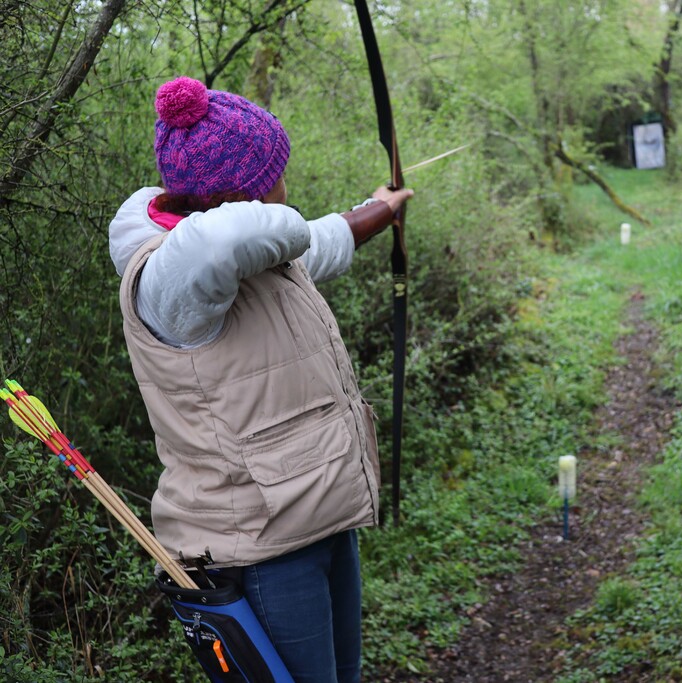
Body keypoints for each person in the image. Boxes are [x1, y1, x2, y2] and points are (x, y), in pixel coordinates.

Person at [108, 75, 412, 683]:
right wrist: (280, 216)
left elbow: (323, 241)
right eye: (275, 175)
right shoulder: (169, 286)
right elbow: (225, 241)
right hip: (260, 547)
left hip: (319, 517)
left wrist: (380, 209)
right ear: (243, 196)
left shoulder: (259, 260)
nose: (285, 187)